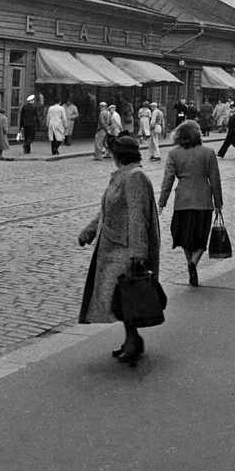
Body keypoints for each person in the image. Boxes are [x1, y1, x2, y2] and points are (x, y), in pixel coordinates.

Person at [78, 135, 160, 364]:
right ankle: (131, 340)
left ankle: (133, 342)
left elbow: (137, 218)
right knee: (122, 298)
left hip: (125, 249)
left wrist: (138, 254)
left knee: (126, 297)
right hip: (115, 246)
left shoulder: (135, 177)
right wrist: (89, 231)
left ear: (118, 156)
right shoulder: (124, 175)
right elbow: (107, 210)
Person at [158, 120, 223, 286]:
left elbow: (168, 180)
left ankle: (189, 263)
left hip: (183, 201)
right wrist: (218, 203)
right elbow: (215, 179)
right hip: (204, 201)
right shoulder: (208, 152)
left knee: (185, 237)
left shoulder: (174, 153)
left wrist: (162, 202)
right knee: (201, 237)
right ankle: (194, 262)